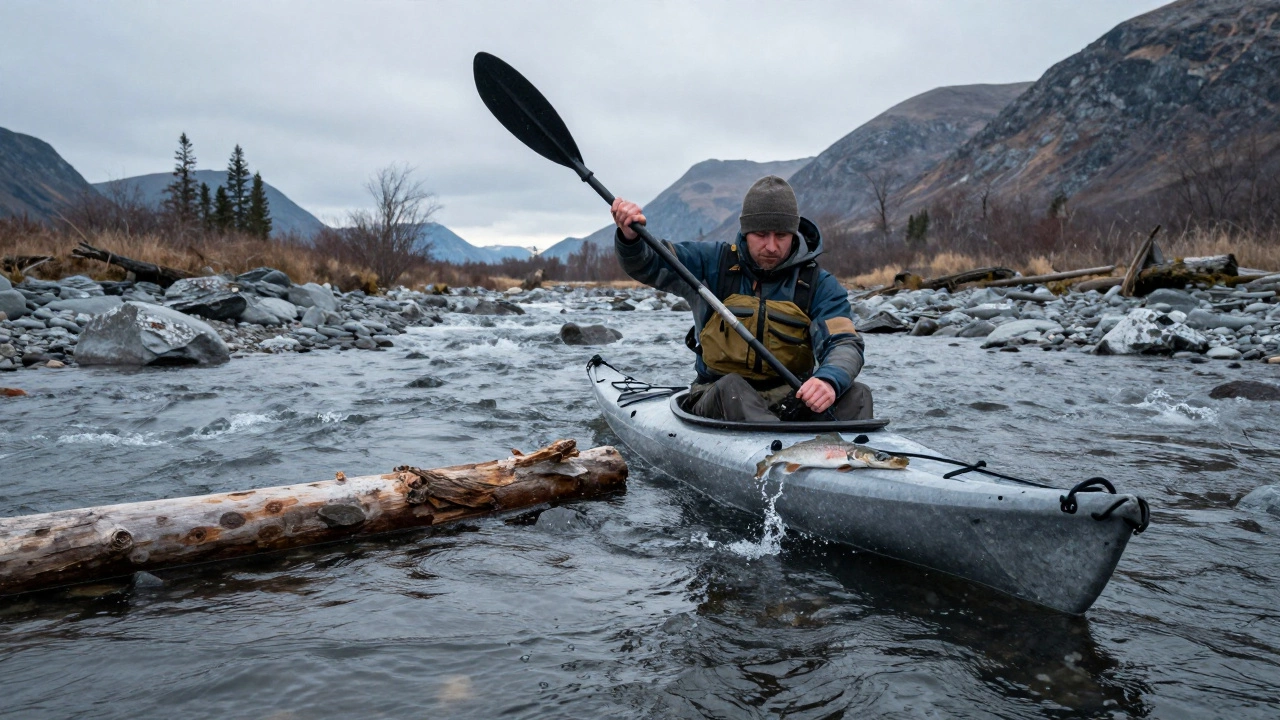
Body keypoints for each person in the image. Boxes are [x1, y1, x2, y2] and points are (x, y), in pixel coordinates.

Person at [611, 175, 872, 422]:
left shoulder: (819, 285)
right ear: (746, 232)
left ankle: (845, 464)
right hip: (717, 396)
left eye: (781, 235)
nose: (771, 246)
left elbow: (844, 342)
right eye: (761, 234)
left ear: (794, 234)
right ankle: (776, 456)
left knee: (856, 394)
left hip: (790, 399)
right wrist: (631, 239)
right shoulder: (710, 264)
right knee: (733, 388)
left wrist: (828, 380)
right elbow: (651, 264)